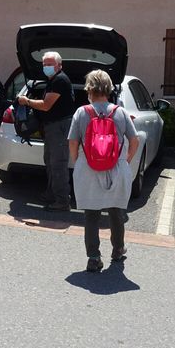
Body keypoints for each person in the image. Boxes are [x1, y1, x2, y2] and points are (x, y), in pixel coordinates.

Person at [68, 70, 139, 272]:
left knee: (91, 215)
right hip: (115, 168)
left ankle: (93, 258)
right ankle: (117, 250)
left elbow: (73, 142)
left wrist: (78, 162)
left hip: (88, 168)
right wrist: (125, 160)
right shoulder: (121, 112)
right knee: (116, 211)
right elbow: (135, 140)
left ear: (89, 88)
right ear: (108, 88)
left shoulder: (82, 112)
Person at [17, 51, 75, 211]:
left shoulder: (60, 80)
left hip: (60, 126)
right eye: (44, 64)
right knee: (49, 161)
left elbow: (46, 105)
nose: (46, 67)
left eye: (50, 64)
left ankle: (62, 201)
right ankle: (52, 193)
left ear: (59, 65)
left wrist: (27, 101)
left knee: (57, 164)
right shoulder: (53, 80)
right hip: (53, 126)